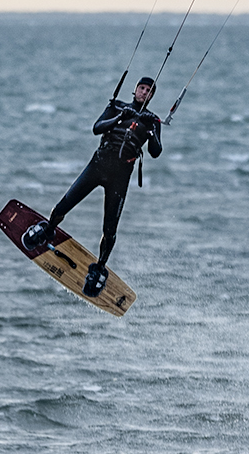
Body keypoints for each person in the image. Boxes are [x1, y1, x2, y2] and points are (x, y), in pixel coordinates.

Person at [22, 76, 163, 296]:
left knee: (110, 229)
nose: (144, 92)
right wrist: (120, 117)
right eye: (142, 88)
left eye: (149, 90)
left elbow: (156, 151)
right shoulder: (117, 106)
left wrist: (151, 130)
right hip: (98, 166)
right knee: (63, 206)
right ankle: (48, 229)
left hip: (120, 177)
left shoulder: (152, 121)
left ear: (152, 96)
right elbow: (97, 128)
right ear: (135, 89)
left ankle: (99, 267)